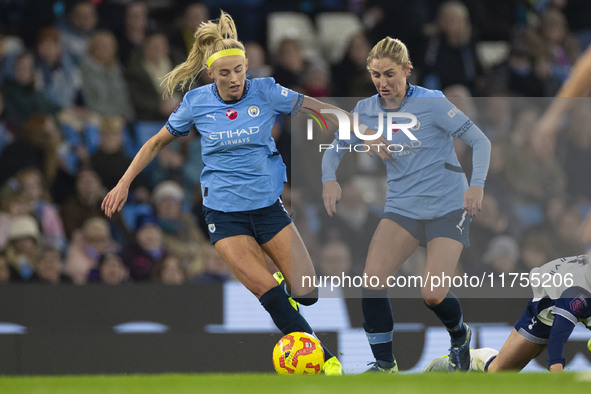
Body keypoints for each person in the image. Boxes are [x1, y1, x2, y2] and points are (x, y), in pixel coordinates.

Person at [100, 11, 374, 375]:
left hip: (268, 208)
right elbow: (155, 143)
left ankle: (282, 283)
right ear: (211, 74)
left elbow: (315, 108)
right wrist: (124, 182)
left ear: (247, 67)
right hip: (224, 215)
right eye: (224, 73)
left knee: (307, 293)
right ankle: (326, 361)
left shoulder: (267, 90)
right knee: (272, 298)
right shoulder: (197, 102)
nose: (232, 79)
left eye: (238, 70)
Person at [321, 36, 491, 373]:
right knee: (370, 283)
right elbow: (334, 148)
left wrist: (476, 186)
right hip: (403, 208)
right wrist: (329, 178)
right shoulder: (365, 110)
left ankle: (460, 336)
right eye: (375, 75)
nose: (382, 83)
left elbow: (480, 140)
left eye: (389, 74)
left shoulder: (433, 103)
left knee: (433, 295)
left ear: (407, 70)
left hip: (448, 207)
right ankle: (385, 365)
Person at [425, 254, 591, 373]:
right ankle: (473, 359)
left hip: (572, 279)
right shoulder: (577, 296)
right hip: (548, 301)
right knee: (499, 371)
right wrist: (558, 373)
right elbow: (557, 337)